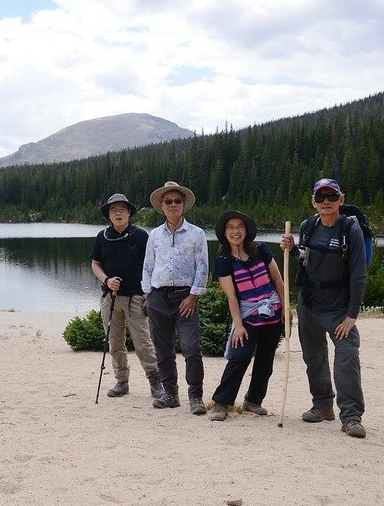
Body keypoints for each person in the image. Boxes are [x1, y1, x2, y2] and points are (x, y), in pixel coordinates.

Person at [280, 178, 367, 438]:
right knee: (313, 356)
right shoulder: (309, 226)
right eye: (321, 197)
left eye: (331, 196)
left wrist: (352, 315)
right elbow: (304, 259)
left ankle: (351, 417)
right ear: (313, 202)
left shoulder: (350, 231)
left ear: (341, 199)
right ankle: (322, 406)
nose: (326, 201)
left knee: (347, 354)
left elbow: (358, 275)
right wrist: (293, 249)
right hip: (309, 303)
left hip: (339, 307)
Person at [208, 211, 285, 422]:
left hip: (273, 312)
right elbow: (232, 297)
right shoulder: (224, 260)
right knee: (239, 358)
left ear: (246, 230)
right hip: (248, 316)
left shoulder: (261, 250)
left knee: (265, 360)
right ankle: (221, 402)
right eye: (230, 227)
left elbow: (278, 280)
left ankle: (253, 400)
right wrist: (238, 325)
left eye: (239, 226)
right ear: (224, 233)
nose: (235, 231)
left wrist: (286, 308)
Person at [141, 181, 209, 415]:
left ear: (183, 205)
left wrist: (193, 296)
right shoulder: (154, 235)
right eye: (168, 201)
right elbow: (148, 266)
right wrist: (147, 294)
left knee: (191, 348)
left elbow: (202, 267)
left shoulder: (196, 234)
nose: (172, 205)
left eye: (177, 201)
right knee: (163, 351)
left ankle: (196, 396)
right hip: (158, 298)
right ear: (161, 206)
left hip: (185, 299)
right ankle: (170, 394)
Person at [90, 193, 164, 399]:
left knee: (143, 341)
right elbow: (95, 264)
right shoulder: (102, 237)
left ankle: (155, 381)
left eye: (122, 209)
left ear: (129, 212)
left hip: (136, 297)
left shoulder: (140, 236)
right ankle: (122, 381)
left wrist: (149, 293)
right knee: (114, 342)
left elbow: (153, 265)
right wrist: (106, 280)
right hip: (110, 298)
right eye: (114, 210)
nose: (118, 213)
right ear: (109, 215)